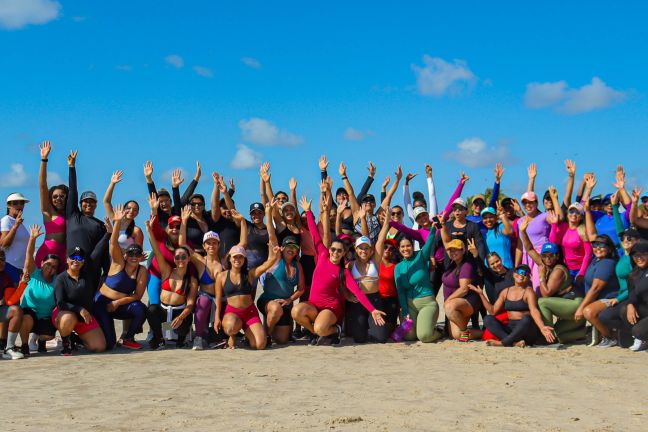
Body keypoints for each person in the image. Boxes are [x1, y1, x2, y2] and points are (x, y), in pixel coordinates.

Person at [292, 195, 386, 345]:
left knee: (321, 328)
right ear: (329, 250)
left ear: (343, 253)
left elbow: (358, 292)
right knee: (296, 312)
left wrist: (372, 309)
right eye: (333, 249)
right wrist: (308, 212)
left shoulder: (344, 271)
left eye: (339, 251)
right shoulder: (322, 255)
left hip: (331, 308)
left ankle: (335, 331)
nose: (335, 253)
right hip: (314, 305)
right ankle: (316, 332)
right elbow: (315, 235)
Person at [214, 203, 278, 350]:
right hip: (232, 313)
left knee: (260, 345)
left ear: (244, 259)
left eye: (240, 257)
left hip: (249, 312)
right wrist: (218, 317)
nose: (237, 259)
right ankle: (233, 335)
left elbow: (269, 263)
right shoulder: (222, 276)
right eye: (234, 257)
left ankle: (247, 334)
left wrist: (275, 253)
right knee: (230, 327)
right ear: (229, 259)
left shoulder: (250, 274)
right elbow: (218, 299)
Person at [179, 204, 239, 350]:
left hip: (222, 299)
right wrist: (184, 221)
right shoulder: (200, 261)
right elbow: (181, 243)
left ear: (218, 245)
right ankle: (199, 337)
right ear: (204, 246)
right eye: (208, 243)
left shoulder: (225, 260)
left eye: (214, 243)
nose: (211, 246)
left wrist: (242, 222)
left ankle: (224, 336)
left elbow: (242, 243)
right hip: (205, 297)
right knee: (203, 301)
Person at [519, 216, 585, 343]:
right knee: (557, 335)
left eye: (551, 255)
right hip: (569, 311)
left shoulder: (558, 270)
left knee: (542, 302)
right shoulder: (545, 265)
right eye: (544, 255)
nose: (548, 258)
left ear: (557, 256)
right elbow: (530, 249)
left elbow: (546, 293)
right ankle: (584, 332)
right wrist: (523, 232)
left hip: (575, 306)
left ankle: (546, 336)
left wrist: (542, 277)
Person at [92, 205, 148, 350]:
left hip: (119, 305)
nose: (134, 257)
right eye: (131, 254)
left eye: (137, 254)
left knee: (140, 309)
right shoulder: (118, 262)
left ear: (141, 256)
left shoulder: (141, 271)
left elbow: (137, 296)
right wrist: (116, 223)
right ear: (125, 255)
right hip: (102, 303)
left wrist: (117, 303)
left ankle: (128, 338)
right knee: (109, 345)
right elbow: (113, 243)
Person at [145, 216, 199, 350]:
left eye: (183, 257)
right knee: (152, 309)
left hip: (179, 313)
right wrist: (149, 231)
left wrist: (181, 317)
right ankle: (159, 337)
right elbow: (157, 251)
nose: (180, 259)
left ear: (188, 259)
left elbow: (191, 303)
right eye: (177, 257)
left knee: (185, 322)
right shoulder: (167, 271)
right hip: (164, 312)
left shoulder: (191, 279)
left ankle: (181, 339)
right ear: (174, 259)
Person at [469, 265, 555, 347]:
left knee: (527, 318)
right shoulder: (505, 292)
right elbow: (492, 311)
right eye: (520, 272)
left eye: (525, 273)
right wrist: (481, 294)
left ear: (529, 278)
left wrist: (542, 327)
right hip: (511, 329)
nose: (521, 274)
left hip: (527, 330)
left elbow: (534, 310)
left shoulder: (529, 292)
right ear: (514, 274)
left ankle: (503, 342)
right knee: (488, 319)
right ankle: (514, 343)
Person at [53, 242, 109, 355]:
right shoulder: (61, 278)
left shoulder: (88, 276)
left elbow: (97, 253)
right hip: (64, 314)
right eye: (73, 257)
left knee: (99, 347)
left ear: (83, 261)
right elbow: (60, 303)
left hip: (84, 317)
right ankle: (66, 344)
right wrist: (79, 309)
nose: (76, 260)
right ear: (67, 260)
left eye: (79, 258)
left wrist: (108, 234)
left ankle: (75, 339)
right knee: (68, 318)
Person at [65, 150, 108, 291]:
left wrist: (106, 274)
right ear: (80, 203)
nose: (88, 204)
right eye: (85, 201)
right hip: (72, 266)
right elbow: (72, 191)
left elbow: (103, 252)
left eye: (91, 202)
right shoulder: (73, 215)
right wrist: (72, 167)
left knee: (89, 303)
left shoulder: (101, 225)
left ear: (96, 204)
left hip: (91, 270)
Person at [393, 225, 442, 343]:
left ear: (412, 245)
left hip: (427, 303)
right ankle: (424, 325)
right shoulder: (398, 268)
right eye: (402, 246)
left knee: (424, 336)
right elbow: (401, 291)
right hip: (410, 305)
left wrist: (434, 227)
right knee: (409, 336)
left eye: (408, 245)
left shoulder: (421, 256)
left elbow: (430, 240)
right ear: (399, 249)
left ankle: (440, 332)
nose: (406, 249)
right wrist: (405, 311)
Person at [17, 225, 60, 356]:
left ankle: (41, 341)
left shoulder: (58, 280)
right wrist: (32, 239)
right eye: (48, 264)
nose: (50, 268)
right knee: (26, 318)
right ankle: (25, 345)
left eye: (54, 266)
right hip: (29, 313)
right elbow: (29, 255)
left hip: (45, 317)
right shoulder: (34, 273)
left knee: (48, 335)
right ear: (41, 263)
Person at [257, 234, 305, 345]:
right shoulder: (275, 260)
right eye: (289, 246)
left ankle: (270, 325)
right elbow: (271, 234)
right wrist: (274, 251)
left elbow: (301, 288)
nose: (292, 249)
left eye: (295, 247)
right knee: (275, 308)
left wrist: (289, 299)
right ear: (282, 248)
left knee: (282, 340)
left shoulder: (297, 265)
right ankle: (266, 336)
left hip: (285, 304)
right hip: (267, 301)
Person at [579, 235, 621, 347]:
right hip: (598, 299)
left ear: (609, 248)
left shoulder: (607, 263)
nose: (597, 247)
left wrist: (581, 308)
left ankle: (610, 337)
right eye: (595, 244)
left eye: (601, 245)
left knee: (588, 311)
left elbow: (596, 289)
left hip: (610, 299)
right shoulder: (596, 259)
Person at [35, 141, 68, 272]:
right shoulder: (48, 212)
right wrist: (44, 159)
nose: (58, 199)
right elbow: (42, 185)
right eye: (54, 197)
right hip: (47, 255)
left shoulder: (70, 214)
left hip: (63, 256)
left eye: (61, 196)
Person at [146, 192, 183, 306]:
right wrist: (153, 209)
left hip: (174, 276)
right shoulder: (162, 236)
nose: (175, 229)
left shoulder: (185, 244)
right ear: (167, 227)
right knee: (154, 305)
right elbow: (155, 224)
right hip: (156, 273)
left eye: (178, 227)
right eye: (172, 226)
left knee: (173, 303)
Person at [548, 200, 592, 284]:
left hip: (580, 270)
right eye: (572, 211)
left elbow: (588, 254)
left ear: (581, 217)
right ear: (567, 214)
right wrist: (554, 225)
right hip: (566, 269)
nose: (574, 214)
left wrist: (582, 273)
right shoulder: (564, 227)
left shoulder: (583, 230)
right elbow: (553, 242)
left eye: (578, 212)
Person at [103, 170, 144, 250]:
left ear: (137, 213)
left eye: (135, 209)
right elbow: (106, 202)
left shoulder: (136, 231)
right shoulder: (115, 220)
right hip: (111, 261)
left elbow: (138, 252)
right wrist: (112, 183)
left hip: (125, 262)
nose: (131, 211)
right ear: (123, 210)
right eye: (128, 208)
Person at [620, 241, 648, 351]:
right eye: (636, 255)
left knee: (638, 331)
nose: (639, 258)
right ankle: (642, 339)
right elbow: (632, 293)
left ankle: (641, 335)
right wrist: (630, 304)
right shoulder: (634, 274)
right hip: (645, 308)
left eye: (643, 254)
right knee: (624, 309)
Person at [1, 192, 30, 284]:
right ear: (8, 205)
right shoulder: (7, 220)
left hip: (20, 269)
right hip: (9, 266)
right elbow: (3, 244)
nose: (19, 205)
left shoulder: (19, 223)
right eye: (15, 203)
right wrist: (15, 226)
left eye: (21, 203)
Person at [0, 248, 24, 359]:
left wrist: (22, 284)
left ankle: (8, 348)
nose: (2, 262)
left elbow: (10, 301)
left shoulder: (6, 277)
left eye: (3, 259)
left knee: (16, 310)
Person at [480, 203, 514, 269]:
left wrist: (503, 216)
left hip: (506, 268)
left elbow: (510, 232)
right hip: (490, 272)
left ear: (496, 217)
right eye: (485, 218)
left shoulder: (501, 227)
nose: (488, 220)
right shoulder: (483, 234)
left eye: (490, 217)